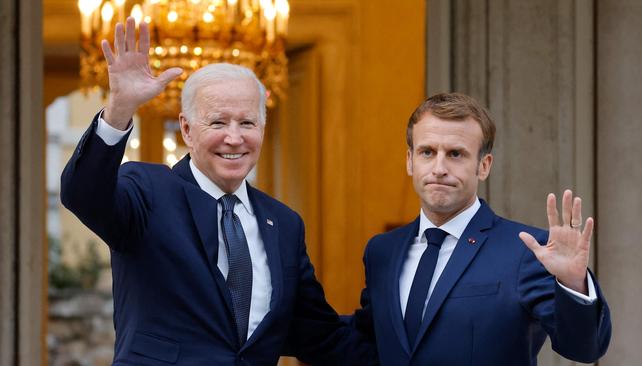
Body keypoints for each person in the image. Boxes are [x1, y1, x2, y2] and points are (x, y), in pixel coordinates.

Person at [61, 17, 371, 365]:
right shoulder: (148, 192)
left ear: (263, 130)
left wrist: (410, 330)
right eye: (218, 122)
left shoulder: (284, 224)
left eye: (247, 123)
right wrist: (120, 109)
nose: (234, 138)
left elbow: (321, 336)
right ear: (187, 130)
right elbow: (83, 195)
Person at [350, 93, 611, 365]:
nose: (439, 168)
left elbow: (585, 348)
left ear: (484, 166)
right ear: (410, 160)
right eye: (427, 152)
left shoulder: (527, 250)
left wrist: (572, 284)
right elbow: (367, 344)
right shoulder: (382, 252)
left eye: (455, 154)